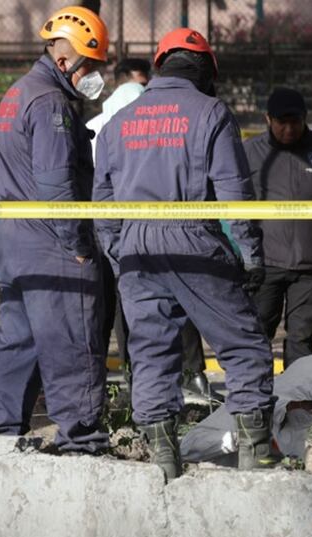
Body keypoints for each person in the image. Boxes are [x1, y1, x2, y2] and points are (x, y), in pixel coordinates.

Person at [93, 28, 276, 477]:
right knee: (243, 343)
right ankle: (256, 455)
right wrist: (250, 252)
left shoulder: (119, 122)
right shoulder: (211, 112)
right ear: (206, 70)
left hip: (135, 247)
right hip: (192, 240)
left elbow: (102, 202)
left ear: (161, 65)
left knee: (151, 353)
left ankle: (163, 461)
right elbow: (234, 192)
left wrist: (119, 256)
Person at [0, 6, 111, 454]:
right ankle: (82, 442)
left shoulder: (17, 93)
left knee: (18, 343)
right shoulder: (51, 103)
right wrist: (78, 244)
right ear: (64, 60)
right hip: (52, 241)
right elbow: (57, 184)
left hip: (15, 241)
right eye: (90, 65)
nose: (93, 75)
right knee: (71, 341)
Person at [86, 54, 220, 403]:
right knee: (155, 309)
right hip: (140, 232)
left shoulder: (106, 128)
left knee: (136, 312)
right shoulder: (120, 126)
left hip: (121, 236)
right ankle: (169, 381)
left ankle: (150, 389)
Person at [244, 87, 312, 367]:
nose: (289, 129)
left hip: (309, 267)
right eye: (281, 122)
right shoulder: (250, 152)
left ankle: (297, 393)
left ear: (305, 118)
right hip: (265, 264)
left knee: (302, 336)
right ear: (268, 119)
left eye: (295, 122)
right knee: (257, 334)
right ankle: (256, 392)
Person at [180, 355, 312, 463]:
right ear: (294, 395)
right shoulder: (250, 408)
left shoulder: (294, 427)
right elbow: (187, 448)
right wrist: (238, 439)